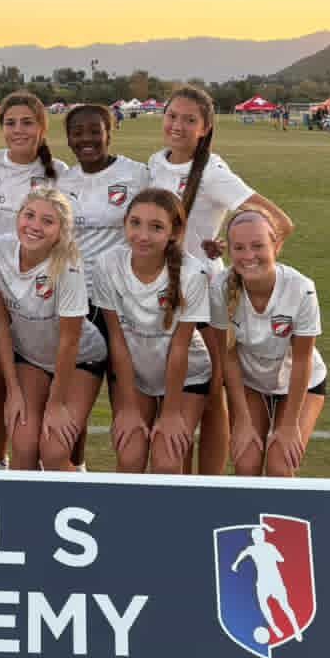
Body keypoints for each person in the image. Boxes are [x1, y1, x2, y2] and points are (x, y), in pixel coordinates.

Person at [147, 85, 294, 475]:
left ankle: (209, 483)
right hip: (164, 292)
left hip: (207, 296)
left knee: (213, 394)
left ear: (206, 128)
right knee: (173, 388)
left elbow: (280, 222)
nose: (177, 125)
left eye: (189, 120)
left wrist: (239, 251)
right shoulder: (156, 162)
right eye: (172, 116)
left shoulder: (213, 172)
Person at [0, 90, 67, 470]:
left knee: (43, 379)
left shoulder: (59, 172)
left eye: (27, 122)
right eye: (10, 123)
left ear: (42, 127)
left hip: (42, 298)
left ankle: (50, 456)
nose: (18, 130)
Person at [54, 103, 149, 471]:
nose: (86, 139)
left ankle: (131, 479)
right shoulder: (63, 183)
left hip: (126, 304)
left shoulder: (137, 175)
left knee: (126, 398)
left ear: (111, 132)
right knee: (74, 398)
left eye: (95, 130)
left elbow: (164, 222)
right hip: (78, 304)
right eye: (77, 132)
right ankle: (76, 472)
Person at [92, 189, 213, 474]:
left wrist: (170, 413)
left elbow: (180, 348)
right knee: (130, 456)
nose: (143, 235)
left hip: (186, 378)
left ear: (174, 232)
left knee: (167, 462)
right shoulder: (107, 265)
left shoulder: (192, 274)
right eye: (135, 223)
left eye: (156, 227)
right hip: (136, 377)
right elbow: (117, 342)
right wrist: (129, 406)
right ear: (125, 224)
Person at [0, 188, 107, 472]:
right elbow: (1, 321)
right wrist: (13, 389)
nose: (35, 226)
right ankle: (21, 516)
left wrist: (56, 402)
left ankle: (78, 506)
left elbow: (70, 339)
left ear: (60, 232)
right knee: (24, 447)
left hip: (80, 360)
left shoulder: (68, 265)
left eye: (47, 221)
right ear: (18, 217)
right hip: (32, 358)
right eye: (29, 215)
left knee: (53, 452)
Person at [210, 209, 327, 477]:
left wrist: (287, 426)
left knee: (280, 465)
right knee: (246, 462)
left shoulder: (301, 289)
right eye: (239, 248)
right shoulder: (219, 288)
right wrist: (240, 419)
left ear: (275, 245)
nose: (249, 256)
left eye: (258, 246)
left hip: (301, 383)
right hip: (251, 383)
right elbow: (227, 357)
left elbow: (302, 360)